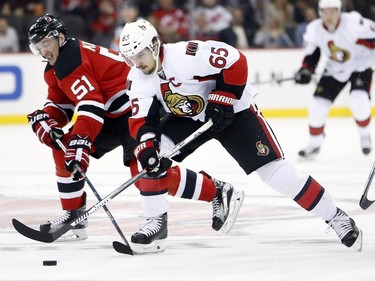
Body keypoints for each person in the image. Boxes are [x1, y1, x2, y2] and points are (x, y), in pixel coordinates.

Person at [119, 19, 363, 251]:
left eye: (140, 54)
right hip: (190, 117)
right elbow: (142, 119)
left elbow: (235, 60)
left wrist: (223, 99)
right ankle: (156, 222)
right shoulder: (137, 78)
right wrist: (149, 147)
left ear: (154, 45)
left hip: (235, 113)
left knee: (276, 173)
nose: (136, 63)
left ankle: (335, 217)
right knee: (148, 157)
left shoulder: (187, 55)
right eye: (131, 58)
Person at [26, 14, 243, 253]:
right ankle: (74, 216)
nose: (43, 50)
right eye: (38, 46)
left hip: (133, 110)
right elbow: (62, 104)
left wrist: (81, 142)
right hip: (110, 115)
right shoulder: (56, 66)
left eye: (46, 43)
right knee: (63, 148)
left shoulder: (70, 59)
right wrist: (48, 120)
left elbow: (91, 105)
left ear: (60, 37)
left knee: (145, 167)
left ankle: (214, 192)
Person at [295, 0, 375, 158]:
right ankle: (315, 144)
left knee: (358, 100)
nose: (329, 16)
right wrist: (306, 70)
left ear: (340, 11)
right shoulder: (314, 29)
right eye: (326, 11)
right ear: (320, 12)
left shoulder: (354, 22)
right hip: (335, 69)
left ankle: (365, 134)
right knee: (317, 106)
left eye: (333, 11)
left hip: (360, 66)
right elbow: (312, 55)